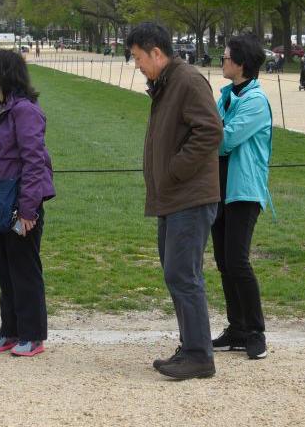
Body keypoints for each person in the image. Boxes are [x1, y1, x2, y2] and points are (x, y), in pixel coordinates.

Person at [126, 22, 223, 380]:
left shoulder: (187, 80)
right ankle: (192, 347)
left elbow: (210, 130)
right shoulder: (167, 83)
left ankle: (199, 355)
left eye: (138, 58)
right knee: (177, 273)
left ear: (156, 52)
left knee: (183, 275)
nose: (137, 65)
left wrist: (175, 171)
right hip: (174, 196)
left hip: (189, 196)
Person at [0, 50, 55, 357]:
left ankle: (33, 334)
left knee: (24, 270)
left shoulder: (24, 111)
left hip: (21, 202)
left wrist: (28, 210)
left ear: (4, 74)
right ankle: (10, 330)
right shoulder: (2, 110)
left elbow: (34, 162)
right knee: (6, 269)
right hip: (2, 201)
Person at [211, 35, 272, 360]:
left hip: (243, 190)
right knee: (223, 262)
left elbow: (225, 140)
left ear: (241, 64)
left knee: (237, 260)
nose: (221, 61)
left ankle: (256, 331)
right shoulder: (227, 96)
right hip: (219, 190)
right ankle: (237, 327)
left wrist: (211, 126)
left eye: (225, 57)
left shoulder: (255, 100)